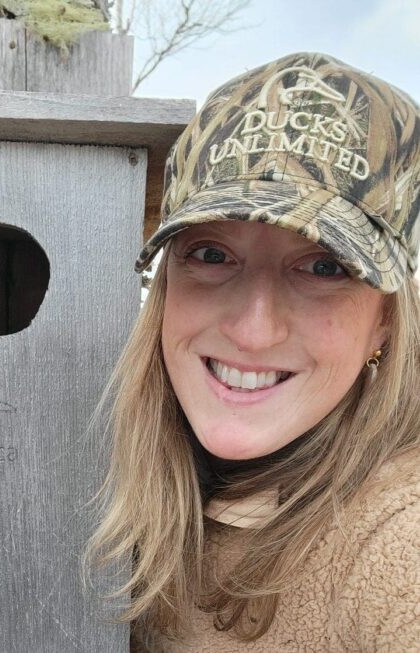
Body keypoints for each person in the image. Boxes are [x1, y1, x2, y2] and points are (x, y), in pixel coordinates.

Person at [83, 52, 420, 651]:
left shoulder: (397, 542)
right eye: (212, 255)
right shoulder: (132, 493)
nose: (253, 331)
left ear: (386, 323)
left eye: (323, 266)